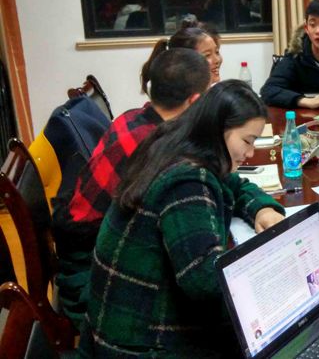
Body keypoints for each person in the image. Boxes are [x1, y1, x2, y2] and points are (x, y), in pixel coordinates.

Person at [80, 80, 286, 357]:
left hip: (115, 319)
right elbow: (205, 281)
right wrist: (270, 272)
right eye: (247, 141)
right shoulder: (187, 180)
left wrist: (262, 209)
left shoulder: (176, 141)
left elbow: (234, 183)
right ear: (218, 129)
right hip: (136, 341)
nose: (250, 153)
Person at [52, 49, 211, 329]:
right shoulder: (156, 149)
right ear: (195, 101)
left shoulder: (134, 117)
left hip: (76, 245)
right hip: (89, 274)